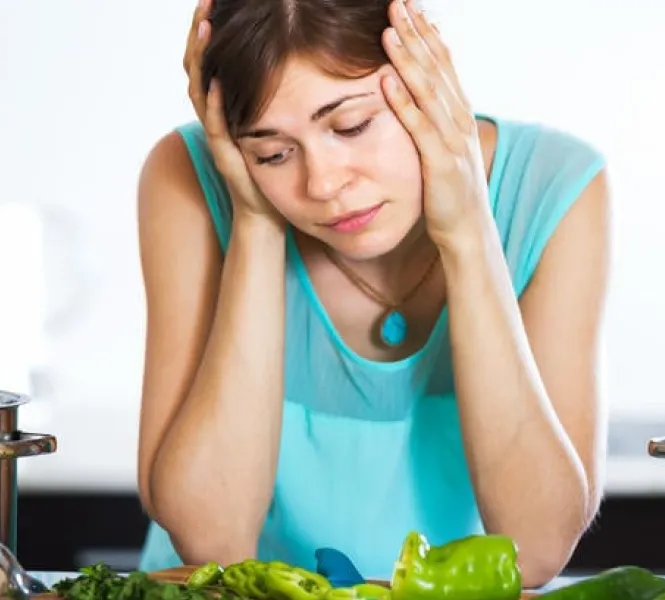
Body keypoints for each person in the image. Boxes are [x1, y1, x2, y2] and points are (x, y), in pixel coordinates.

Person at [134, 0, 610, 588]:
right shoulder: (187, 177)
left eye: (352, 125)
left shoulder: (557, 188)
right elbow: (212, 542)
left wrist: (467, 232)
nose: (324, 184)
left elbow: (535, 549)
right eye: (273, 153)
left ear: (427, 74)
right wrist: (256, 223)